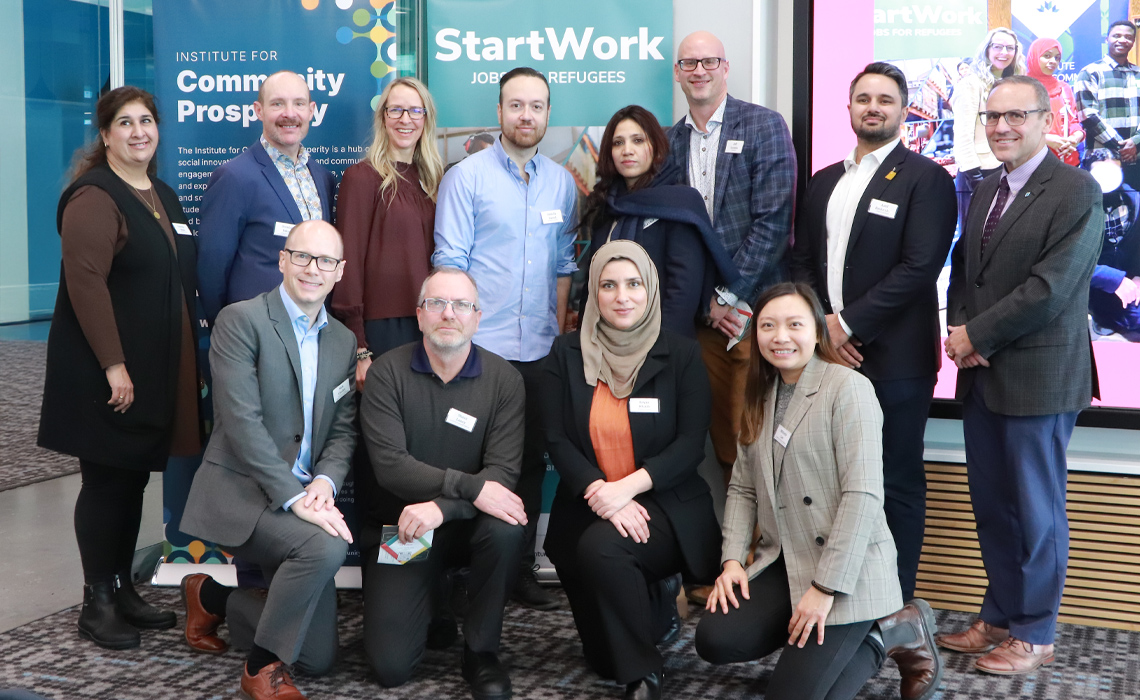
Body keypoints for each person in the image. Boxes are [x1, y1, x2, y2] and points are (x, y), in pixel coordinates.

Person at [694, 282, 942, 700]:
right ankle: (858, 633)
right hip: (787, 557)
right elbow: (742, 488)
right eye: (768, 326)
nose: (780, 336)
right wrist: (733, 560)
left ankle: (889, 632)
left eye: (794, 324)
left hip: (849, 569)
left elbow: (862, 496)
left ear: (817, 332)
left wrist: (824, 589)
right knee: (716, 638)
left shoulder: (848, 388)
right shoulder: (760, 393)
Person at [940, 76, 1103, 674]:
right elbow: (966, 275)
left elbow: (1050, 288)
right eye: (993, 116)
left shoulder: (1076, 190)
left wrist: (976, 336)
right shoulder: (986, 188)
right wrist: (961, 332)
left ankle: (1035, 631)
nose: (1002, 127)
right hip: (982, 375)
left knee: (1036, 510)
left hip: (1039, 378)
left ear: (1042, 118)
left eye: (1016, 116)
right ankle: (1002, 614)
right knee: (993, 503)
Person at [37, 86, 201, 650]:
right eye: (125, 123)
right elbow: (85, 284)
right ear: (105, 135)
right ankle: (96, 600)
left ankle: (122, 589)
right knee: (106, 483)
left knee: (130, 481)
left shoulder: (161, 193)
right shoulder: (94, 197)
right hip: (107, 374)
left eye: (147, 121)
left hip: (149, 371)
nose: (139, 132)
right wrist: (113, 365)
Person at [790, 62, 957, 601]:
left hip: (896, 362)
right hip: (828, 356)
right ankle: (837, 593)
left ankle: (893, 601)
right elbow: (803, 263)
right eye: (863, 98)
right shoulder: (823, 182)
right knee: (833, 481)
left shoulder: (927, 179)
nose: (873, 108)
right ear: (849, 108)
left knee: (896, 482)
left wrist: (847, 323)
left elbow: (919, 266)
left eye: (885, 99)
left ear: (904, 111)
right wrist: (821, 328)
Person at [178, 220, 357, 700]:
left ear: (339, 271)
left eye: (325, 261)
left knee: (318, 659)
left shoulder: (341, 341)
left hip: (302, 495)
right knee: (325, 548)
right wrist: (295, 496)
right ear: (282, 260)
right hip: (245, 492)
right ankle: (260, 669)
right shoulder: (242, 320)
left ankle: (209, 596)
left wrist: (324, 482)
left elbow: (342, 430)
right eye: (301, 256)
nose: (312, 269)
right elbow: (241, 425)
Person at [540, 240, 722, 700]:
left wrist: (627, 490)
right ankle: (653, 608)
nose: (622, 296)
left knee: (603, 548)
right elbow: (558, 437)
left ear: (650, 290)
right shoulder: (565, 353)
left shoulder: (680, 355)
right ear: (594, 295)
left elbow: (689, 445)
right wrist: (601, 490)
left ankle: (643, 673)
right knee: (600, 655)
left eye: (634, 284)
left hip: (664, 500)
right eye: (609, 285)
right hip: (591, 495)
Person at [433, 66, 578, 611]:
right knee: (472, 460)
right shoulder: (466, 177)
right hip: (480, 349)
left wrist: (559, 328)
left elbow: (565, 265)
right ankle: (461, 573)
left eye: (537, 106)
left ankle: (517, 570)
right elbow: (449, 262)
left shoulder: (561, 184)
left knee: (530, 462)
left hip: (540, 349)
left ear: (546, 114)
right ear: (499, 112)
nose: (526, 116)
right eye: (516, 105)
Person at [357, 267, 526, 700]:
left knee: (506, 527)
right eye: (437, 303)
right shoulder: (386, 374)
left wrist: (442, 507)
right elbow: (392, 467)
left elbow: (502, 476)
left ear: (477, 317)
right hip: (403, 530)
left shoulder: (505, 380)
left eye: (462, 305)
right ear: (419, 315)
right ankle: (436, 595)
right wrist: (468, 489)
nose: (449, 313)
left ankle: (481, 652)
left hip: (467, 527)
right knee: (391, 668)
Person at [664, 31, 796, 489]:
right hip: (699, 319)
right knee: (715, 442)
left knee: (752, 441)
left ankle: (763, 554)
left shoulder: (763, 126)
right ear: (677, 73)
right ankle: (729, 551)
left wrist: (729, 294)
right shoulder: (668, 141)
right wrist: (707, 303)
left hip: (752, 311)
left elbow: (774, 222)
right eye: (689, 63)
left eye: (709, 61)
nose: (699, 70)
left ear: (725, 67)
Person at [578, 105, 738, 338]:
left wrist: (657, 351)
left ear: (656, 147)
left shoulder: (679, 202)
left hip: (662, 346)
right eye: (618, 143)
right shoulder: (607, 206)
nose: (627, 150)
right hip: (606, 343)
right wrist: (585, 339)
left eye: (638, 140)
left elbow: (683, 292)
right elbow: (592, 284)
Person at [198, 70, 337, 324]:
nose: (290, 114)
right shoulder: (234, 177)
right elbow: (212, 269)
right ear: (258, 110)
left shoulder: (322, 177)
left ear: (311, 110)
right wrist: (229, 330)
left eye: (299, 103)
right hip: (255, 333)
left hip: (314, 329)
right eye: (277, 104)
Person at [333, 76, 444, 385]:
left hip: (430, 323)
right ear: (383, 117)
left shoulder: (434, 181)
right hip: (383, 328)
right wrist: (359, 345)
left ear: (426, 118)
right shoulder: (362, 178)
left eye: (414, 111)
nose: (405, 119)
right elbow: (348, 261)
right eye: (395, 110)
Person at [952, 28, 1025, 228]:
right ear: (987, 49)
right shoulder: (970, 84)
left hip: (1006, 168)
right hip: (977, 172)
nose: (1004, 52)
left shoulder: (1013, 84)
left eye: (1010, 48)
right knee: (974, 236)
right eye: (998, 46)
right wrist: (974, 176)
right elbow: (962, 135)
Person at [1075, 20, 1140, 190]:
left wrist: (1136, 143)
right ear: (1107, 39)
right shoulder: (1090, 72)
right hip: (1102, 159)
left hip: (1137, 158)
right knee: (1102, 212)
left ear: (1133, 41)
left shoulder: (1139, 73)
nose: (1122, 40)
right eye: (1117, 36)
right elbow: (1087, 116)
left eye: (1128, 37)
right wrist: (1123, 147)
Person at [1085, 150, 1140, 338]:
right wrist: (1112, 279)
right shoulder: (1077, 207)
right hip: (1095, 286)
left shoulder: (1135, 201)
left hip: (1132, 283)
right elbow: (1068, 260)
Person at [1026, 38, 1085, 167]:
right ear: (1035, 56)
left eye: (1057, 58)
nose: (1053, 61)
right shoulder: (1021, 87)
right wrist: (1046, 140)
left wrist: (1075, 138)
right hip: (1032, 162)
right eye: (1047, 56)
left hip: (1067, 161)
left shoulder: (1064, 88)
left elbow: (1074, 122)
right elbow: (1016, 127)